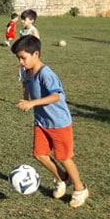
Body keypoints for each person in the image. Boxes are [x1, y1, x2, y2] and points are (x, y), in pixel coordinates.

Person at [12, 35, 89, 207]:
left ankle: (80, 188)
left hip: (59, 123)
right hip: (41, 122)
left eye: (23, 58)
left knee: (64, 157)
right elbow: (27, 85)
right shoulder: (27, 71)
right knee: (39, 154)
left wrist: (32, 103)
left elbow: (56, 96)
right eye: (18, 58)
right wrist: (25, 97)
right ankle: (62, 178)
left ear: (36, 54)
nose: (21, 62)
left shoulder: (46, 74)